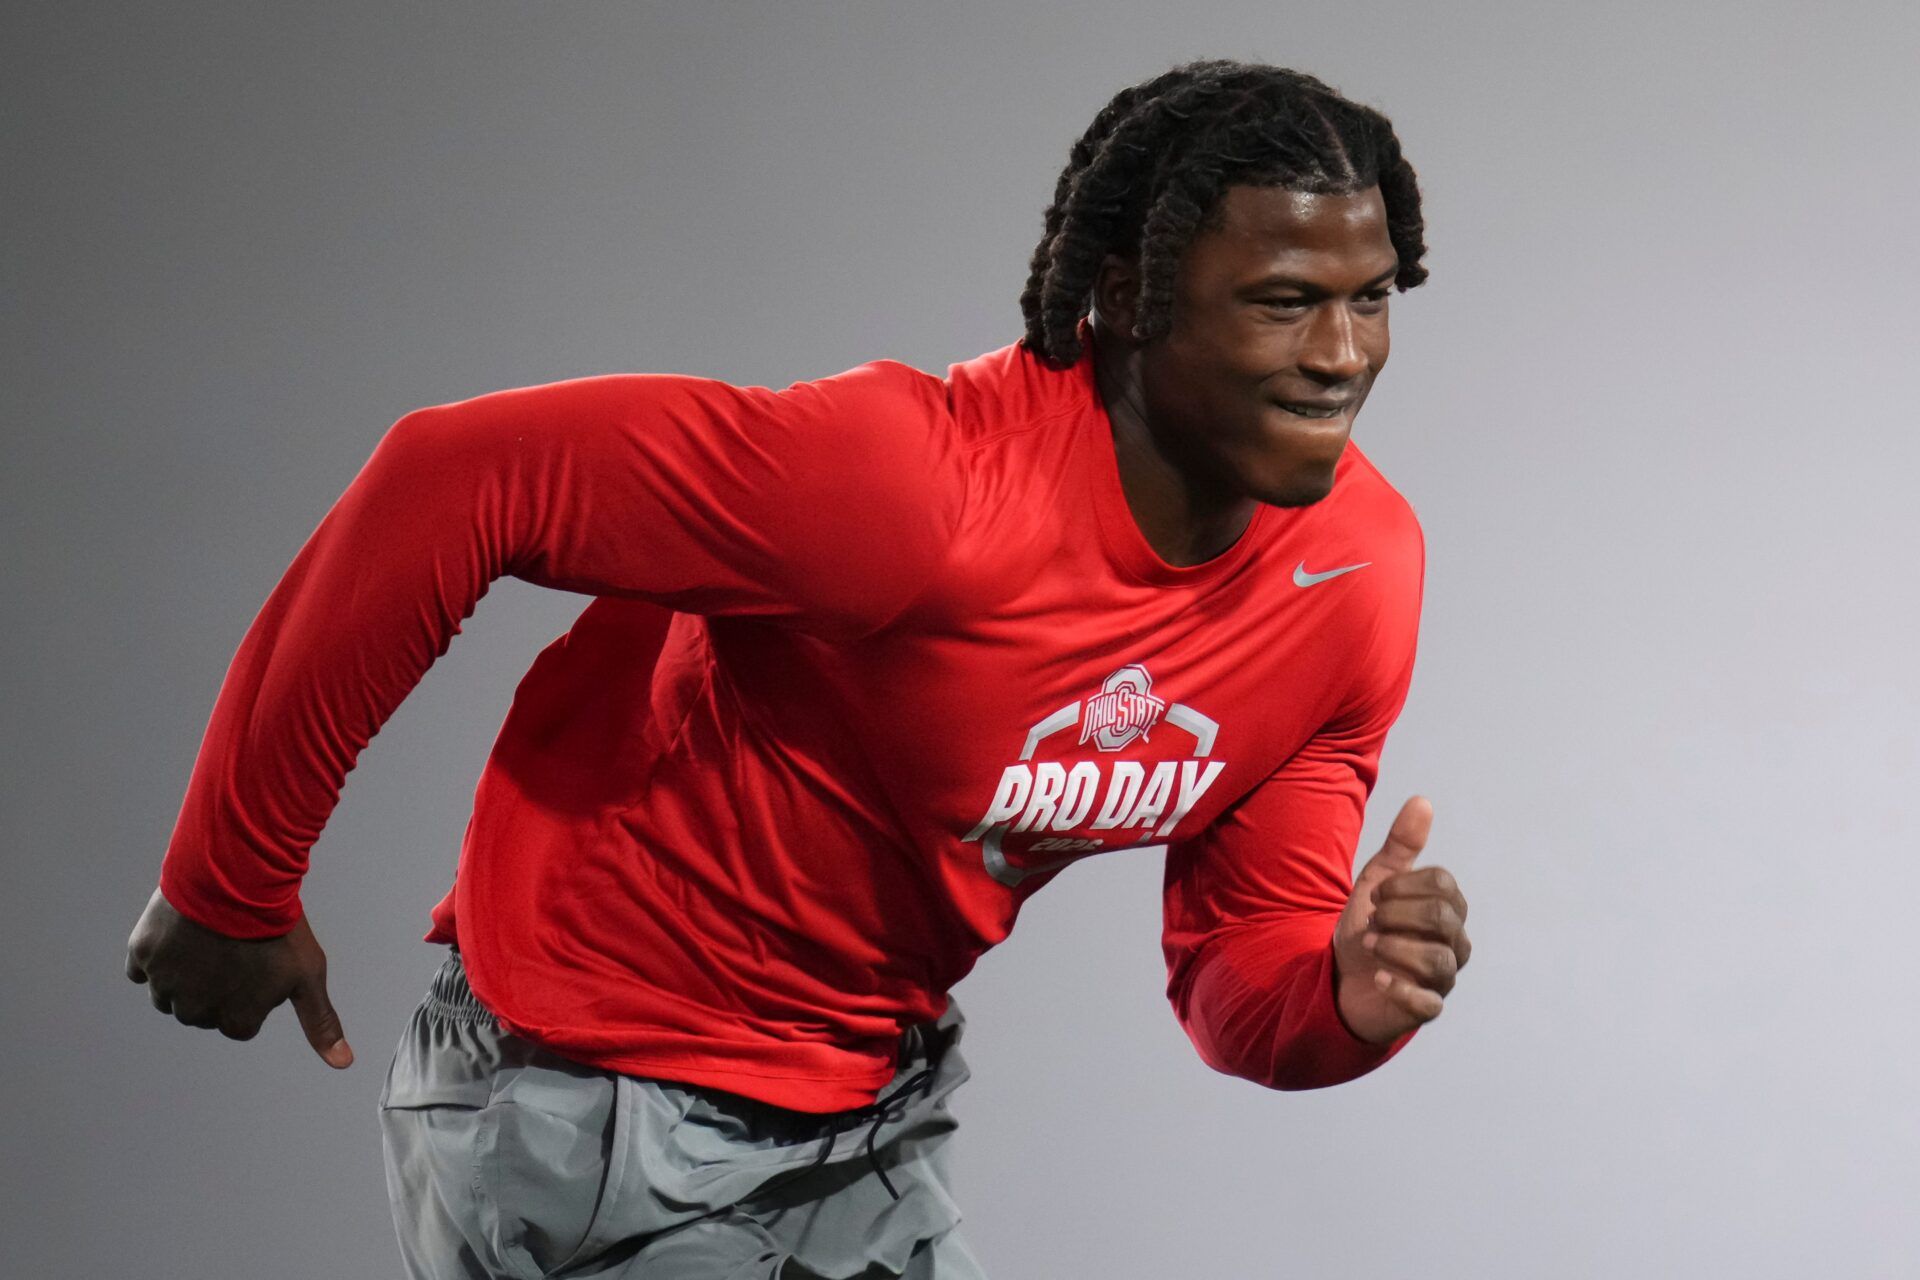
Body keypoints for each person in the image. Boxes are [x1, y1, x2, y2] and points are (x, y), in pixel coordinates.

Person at [124, 58, 1474, 1279]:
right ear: (1128, 297)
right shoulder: (913, 489)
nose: (1344, 357)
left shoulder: (1352, 579)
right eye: (1286, 304)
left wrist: (1343, 999)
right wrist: (230, 879)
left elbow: (1242, 972)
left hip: (858, 1107)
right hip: (592, 1086)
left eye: (1371, 301)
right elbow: (458, 478)